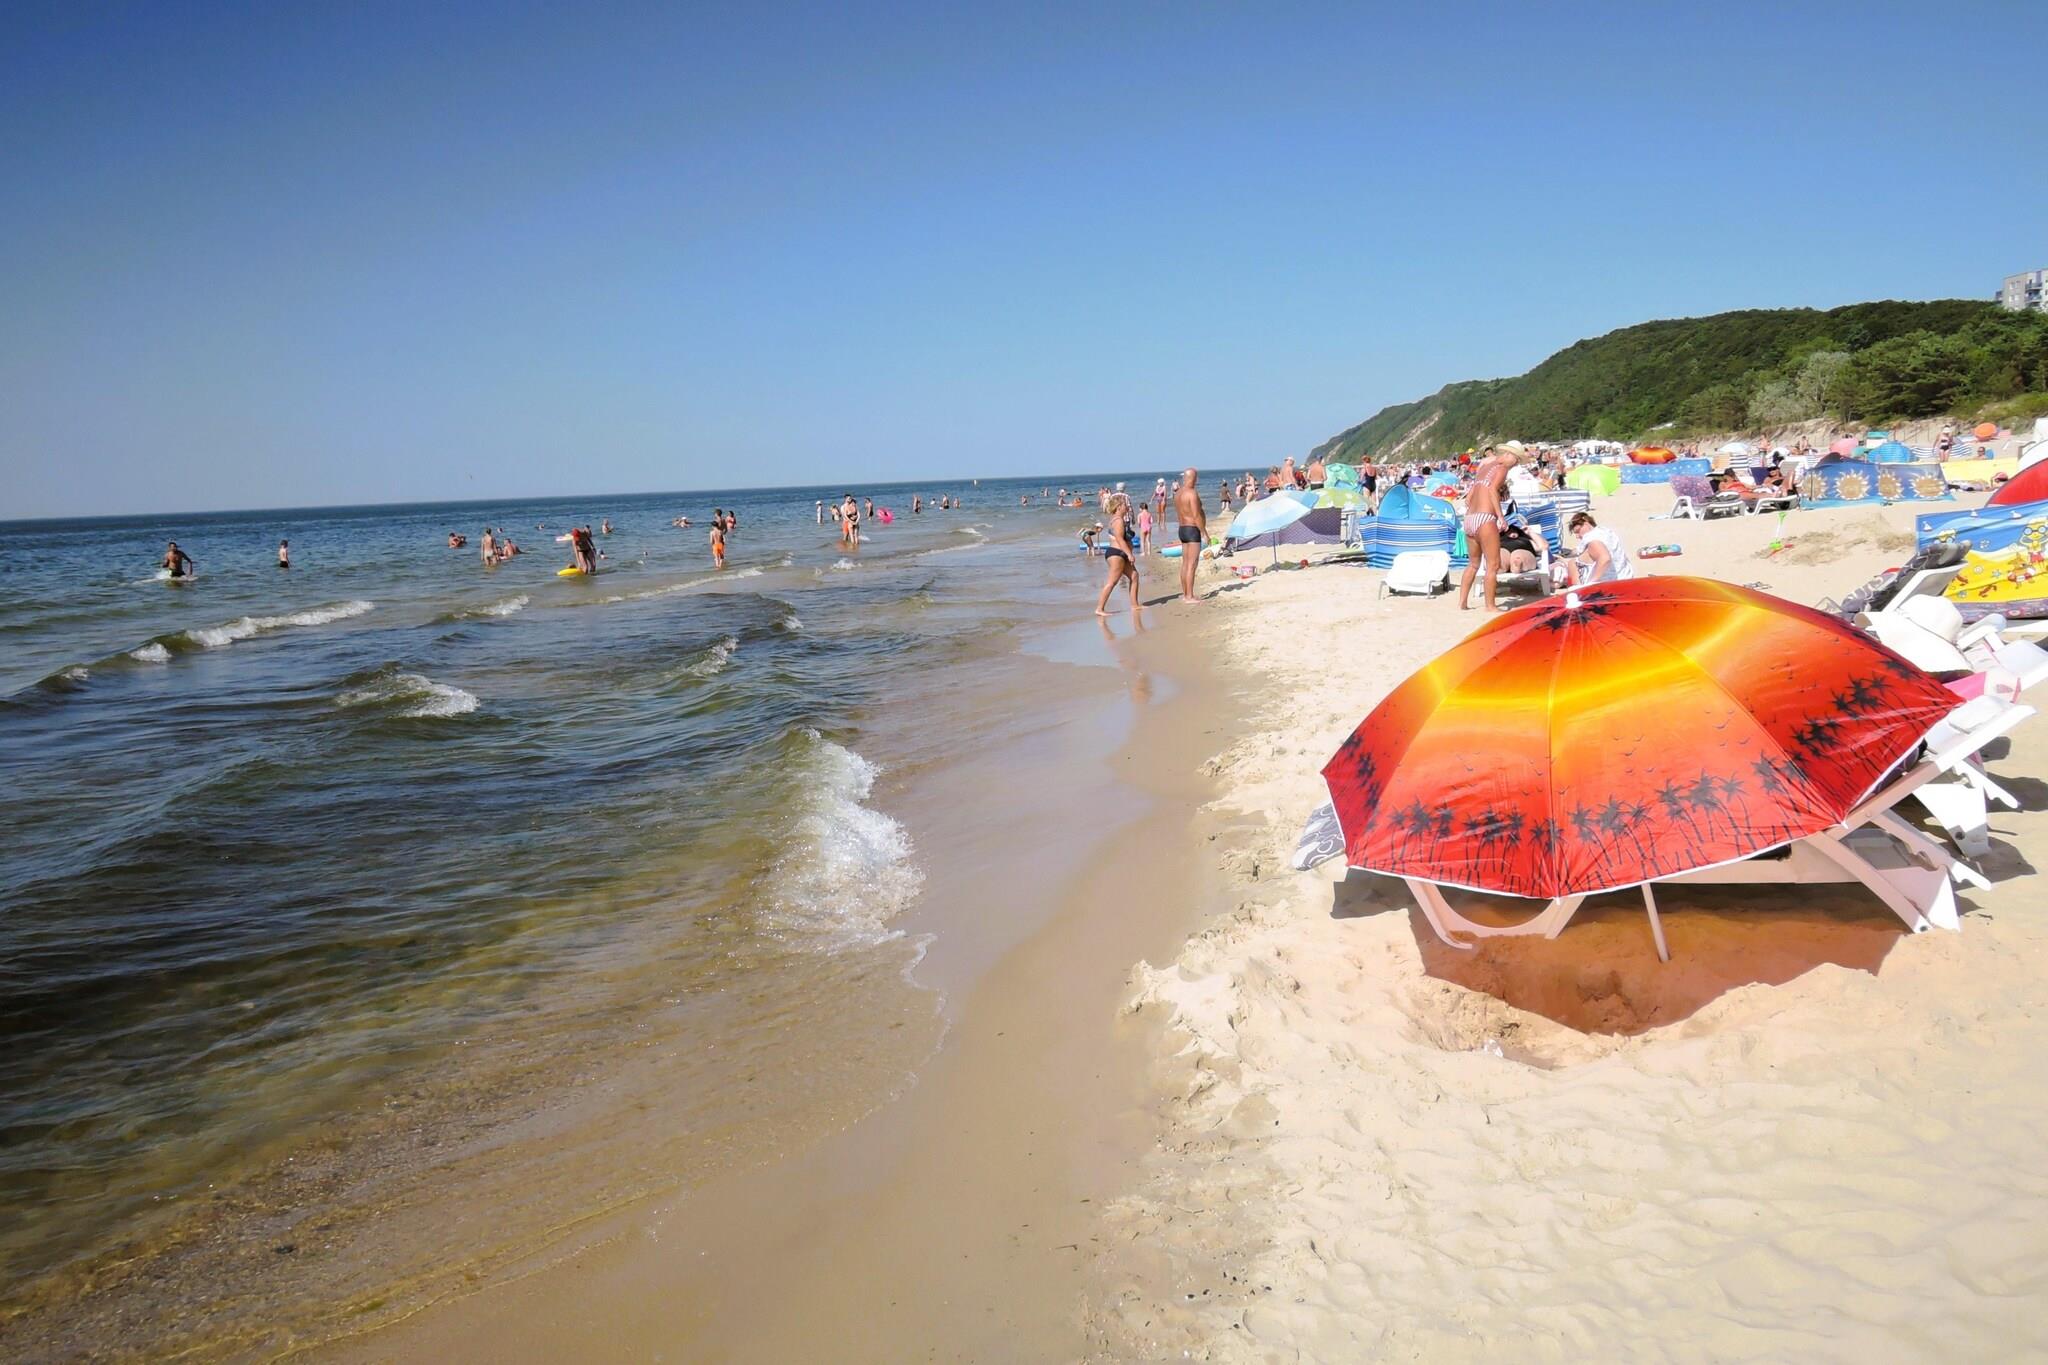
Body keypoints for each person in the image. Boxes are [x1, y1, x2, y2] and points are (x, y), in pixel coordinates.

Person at [1094, 495, 1141, 616]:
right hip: (1117, 554)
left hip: (1120, 553)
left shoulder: (1117, 519)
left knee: (1134, 576)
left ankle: (1135, 605)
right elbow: (1120, 539)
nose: (1127, 506)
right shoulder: (1118, 521)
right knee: (1112, 582)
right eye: (1125, 504)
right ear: (1119, 507)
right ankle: (1099, 609)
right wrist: (1129, 554)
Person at [1567, 511, 1635, 585]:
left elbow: (1605, 558)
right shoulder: (1607, 532)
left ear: (1586, 524)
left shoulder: (1590, 537)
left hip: (1607, 582)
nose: (1577, 536)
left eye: (1578, 531)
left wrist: (1591, 582)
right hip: (1626, 576)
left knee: (1572, 563)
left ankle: (1579, 587)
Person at [1173, 467, 1207, 604]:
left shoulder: (1178, 493)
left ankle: (1185, 594)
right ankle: (1189, 596)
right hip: (1192, 529)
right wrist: (1204, 532)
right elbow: (1196, 515)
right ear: (1193, 478)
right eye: (1196, 477)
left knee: (1185, 563)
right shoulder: (1191, 493)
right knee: (1192, 564)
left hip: (1182, 529)